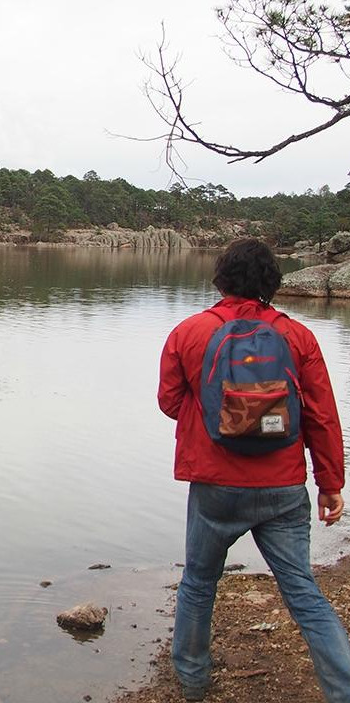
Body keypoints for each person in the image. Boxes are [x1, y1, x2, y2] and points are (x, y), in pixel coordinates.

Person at [158, 238, 350, 702]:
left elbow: (168, 402)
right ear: (273, 282)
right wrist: (331, 484)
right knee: (303, 591)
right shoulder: (298, 337)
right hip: (282, 485)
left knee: (199, 583)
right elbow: (322, 416)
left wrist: (212, 418)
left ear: (220, 278)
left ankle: (193, 681)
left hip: (214, 483)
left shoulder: (189, 333)